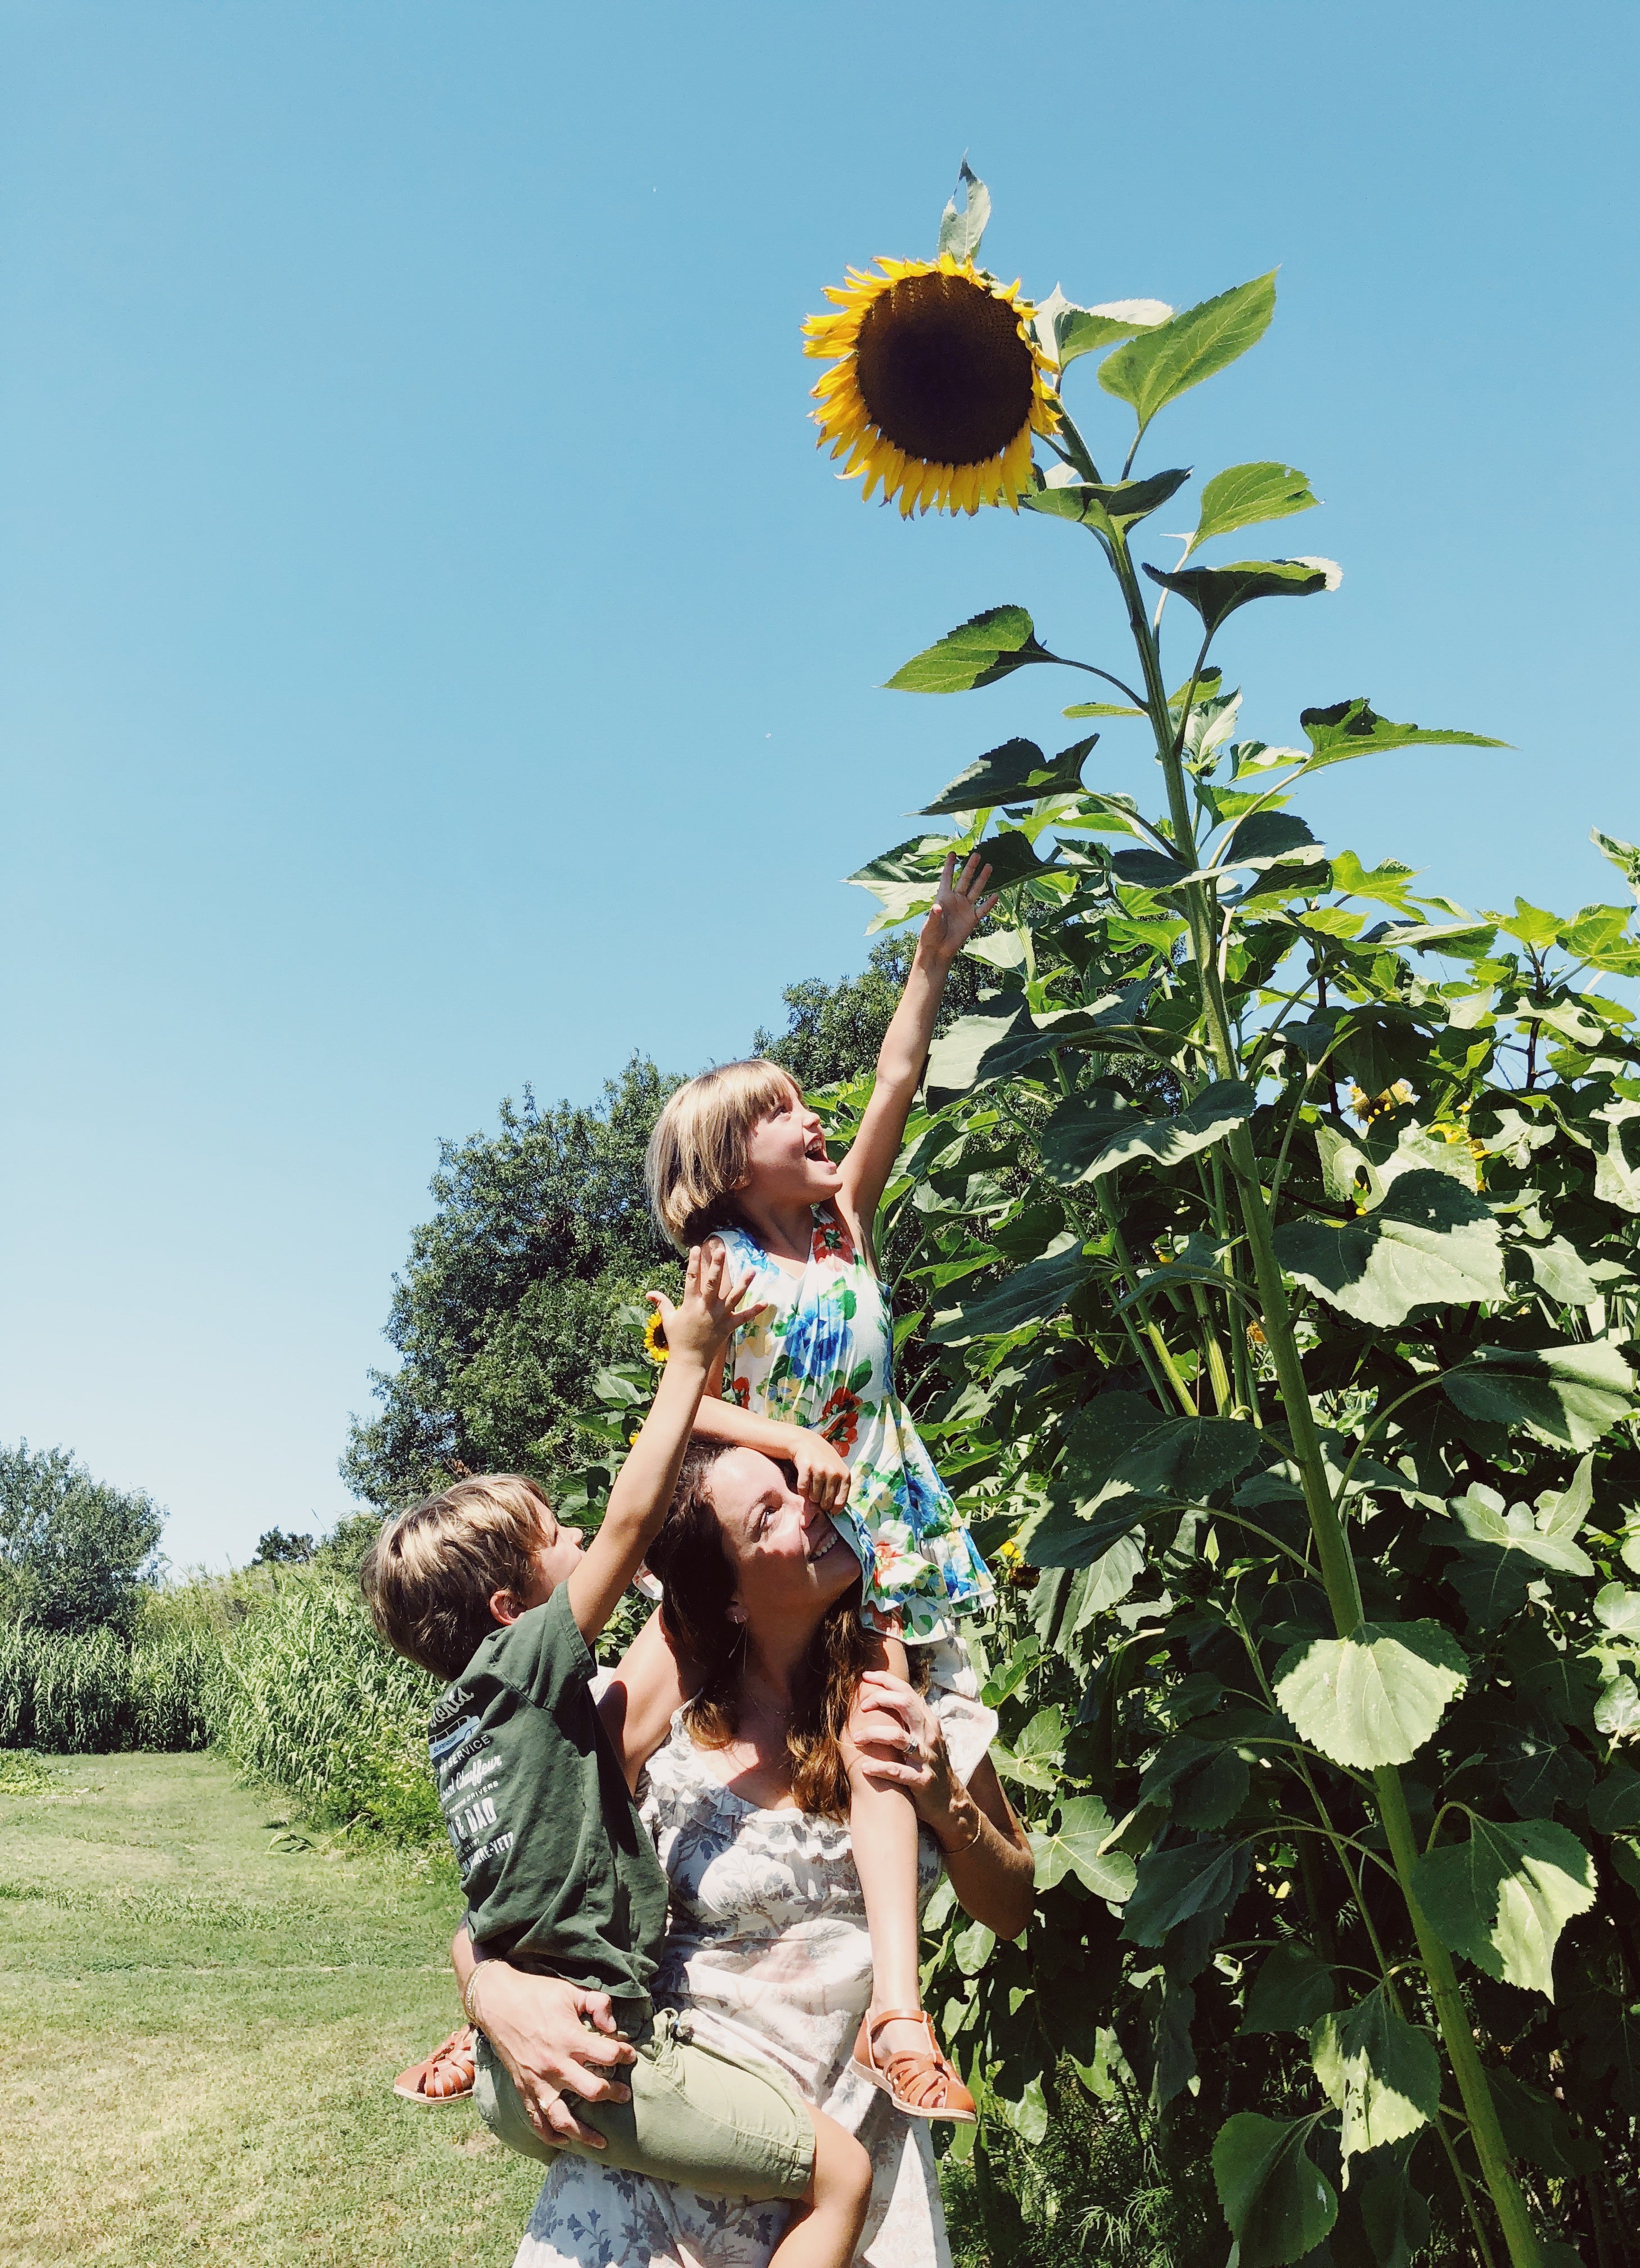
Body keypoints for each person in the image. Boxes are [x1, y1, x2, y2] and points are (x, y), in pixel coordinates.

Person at [362, 1245, 873, 2268]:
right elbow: (638, 1521)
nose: (586, 1536)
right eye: (560, 1536)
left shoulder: (466, 1731)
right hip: (600, 2058)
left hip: (528, 2071)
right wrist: (691, 1361)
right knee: (842, 2176)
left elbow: (504, 1903)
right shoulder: (524, 1669)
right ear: (513, 1614)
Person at [463, 1439, 1034, 2267]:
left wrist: (945, 1797)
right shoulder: (674, 1726)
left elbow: (1012, 1907)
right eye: (768, 1514)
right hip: (664, 2151)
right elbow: (522, 1870)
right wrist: (490, 1989)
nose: (810, 1508)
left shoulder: (924, 1698)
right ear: (727, 1598)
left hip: (846, 2154)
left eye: (796, 1488)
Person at [639, 850, 996, 2117]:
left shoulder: (843, 1231)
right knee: (614, 1713)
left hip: (876, 1522)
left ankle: (899, 2016)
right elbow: (684, 1406)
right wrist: (789, 1446)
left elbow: (899, 1074)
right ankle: (513, 1964)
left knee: (886, 1739)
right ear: (732, 1163)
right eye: (784, 1112)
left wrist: (930, 960)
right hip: (767, 1530)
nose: (815, 1119)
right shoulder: (721, 1269)